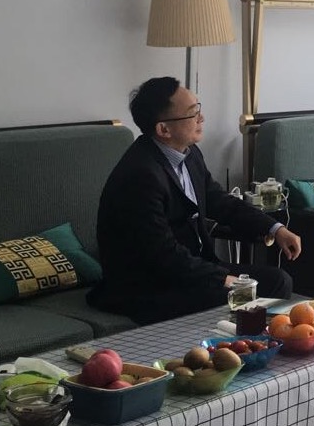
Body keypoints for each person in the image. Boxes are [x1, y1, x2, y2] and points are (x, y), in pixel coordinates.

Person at [88, 77, 300, 323]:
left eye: (198, 108)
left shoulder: (189, 154)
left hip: (190, 271)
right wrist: (220, 278)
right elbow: (161, 253)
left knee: (277, 281)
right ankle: (229, 345)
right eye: (192, 113)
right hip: (149, 285)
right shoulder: (140, 175)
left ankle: (249, 344)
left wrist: (275, 228)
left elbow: (220, 201)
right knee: (240, 295)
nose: (202, 118)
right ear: (163, 129)